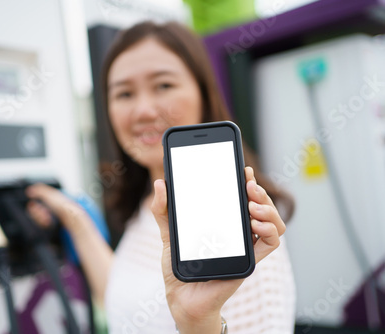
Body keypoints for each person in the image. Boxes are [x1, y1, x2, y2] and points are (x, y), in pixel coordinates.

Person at [26, 21, 296, 333]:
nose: (142, 110)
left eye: (163, 86)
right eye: (124, 93)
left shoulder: (243, 227)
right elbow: (125, 306)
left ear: (203, 94)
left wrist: (198, 323)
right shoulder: (149, 205)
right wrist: (73, 217)